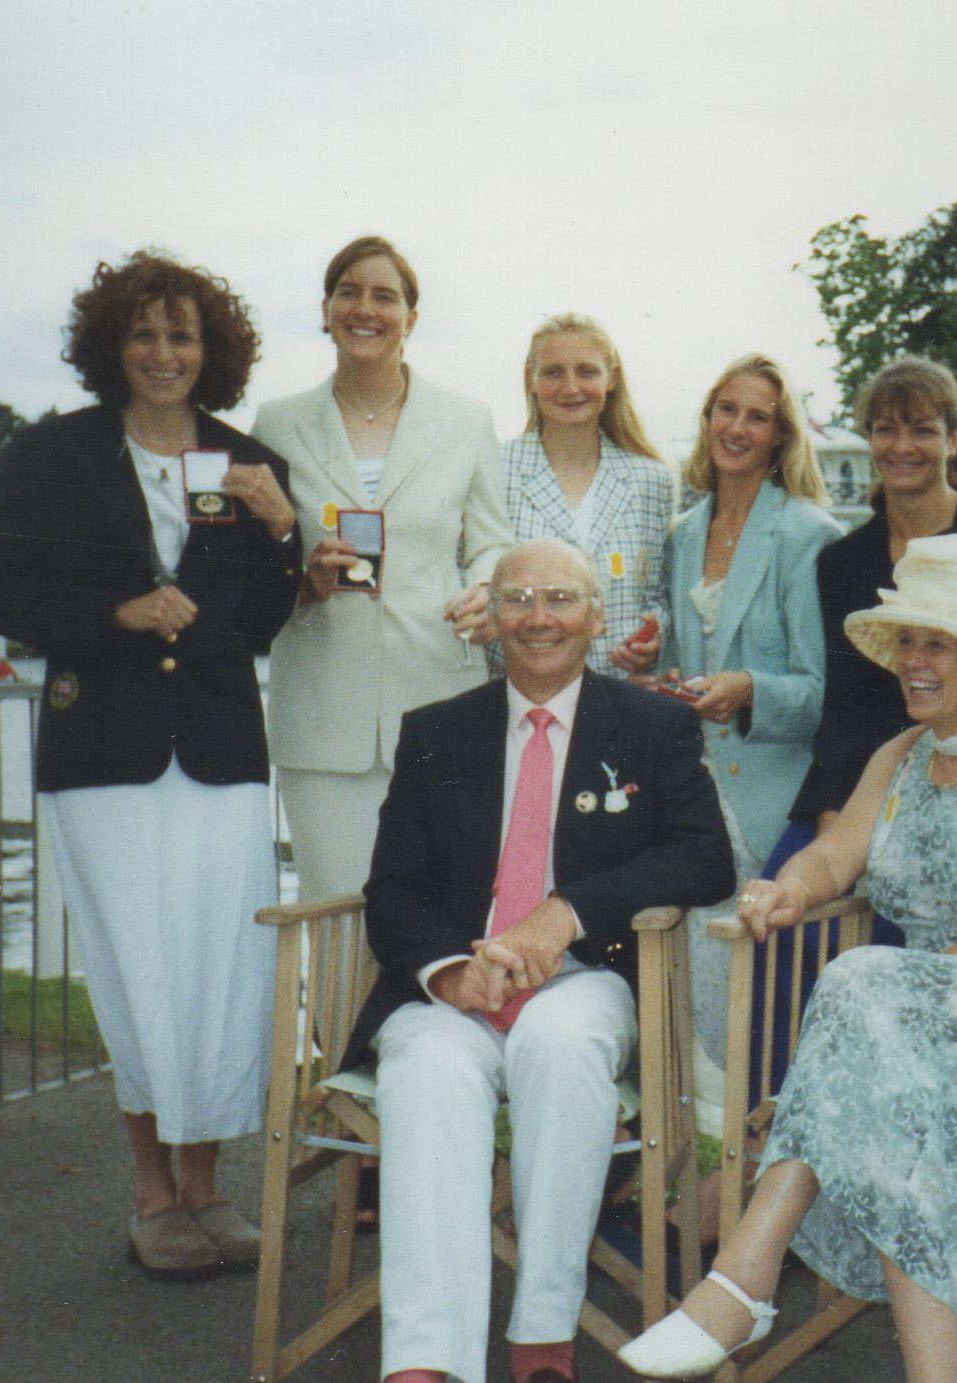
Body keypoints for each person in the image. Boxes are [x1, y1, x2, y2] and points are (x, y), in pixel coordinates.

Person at [620, 533, 957, 1382]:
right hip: (918, 1024)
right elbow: (833, 856)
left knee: (861, 989)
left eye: (936, 642)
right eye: (907, 641)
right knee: (889, 1090)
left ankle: (739, 1279)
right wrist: (788, 891)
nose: (912, 661)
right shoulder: (902, 755)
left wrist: (894, 1002)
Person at [0, 250, 302, 1279]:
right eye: (146, 334)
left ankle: (208, 1191)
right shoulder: (54, 454)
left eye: (183, 335)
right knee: (137, 968)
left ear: (213, 351)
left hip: (221, 748)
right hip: (101, 748)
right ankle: (155, 1200)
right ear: (115, 345)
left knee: (217, 968)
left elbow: (266, 620)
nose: (164, 353)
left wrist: (284, 531)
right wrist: (114, 615)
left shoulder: (248, 457)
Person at [348, 538, 734, 1383]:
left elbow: (706, 858)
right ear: (493, 618)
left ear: (596, 617)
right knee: (423, 1070)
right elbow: (392, 890)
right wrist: (449, 972)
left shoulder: (652, 726)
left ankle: (542, 1337)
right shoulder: (435, 733)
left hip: (585, 976)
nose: (538, 617)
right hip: (459, 983)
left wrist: (565, 913)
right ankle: (422, 1359)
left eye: (560, 598)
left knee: (562, 1048)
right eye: (517, 598)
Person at [254, 235, 515, 908]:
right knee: (335, 912)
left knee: (437, 913)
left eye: (384, 295)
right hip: (320, 718)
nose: (364, 308)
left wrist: (486, 590)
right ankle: (336, 1023)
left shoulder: (465, 420)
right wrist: (303, 578)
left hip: (438, 700)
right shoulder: (276, 424)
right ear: (324, 309)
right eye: (348, 292)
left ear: (411, 317)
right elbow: (257, 564)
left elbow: (491, 541)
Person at [660, 353, 842, 1106]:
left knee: (750, 1002)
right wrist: (658, 663)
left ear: (779, 437)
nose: (737, 426)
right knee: (678, 989)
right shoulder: (680, 532)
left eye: (756, 416)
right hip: (689, 799)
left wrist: (747, 692)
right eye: (725, 409)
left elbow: (823, 691)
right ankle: (702, 1157)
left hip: (771, 807)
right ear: (707, 420)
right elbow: (681, 664)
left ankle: (742, 1158)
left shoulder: (809, 536)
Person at [788, 356, 957, 837]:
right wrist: (833, 822)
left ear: (954, 440)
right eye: (886, 430)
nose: (902, 447)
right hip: (865, 788)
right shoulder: (842, 562)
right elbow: (842, 708)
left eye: (922, 430)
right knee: (784, 901)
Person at [502, 312, 675, 675]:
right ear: (529, 378)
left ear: (611, 378)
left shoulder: (651, 481)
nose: (570, 388)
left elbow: (657, 597)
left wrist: (655, 635)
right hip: (522, 693)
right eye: (553, 372)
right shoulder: (493, 469)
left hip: (619, 699)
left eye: (586, 372)